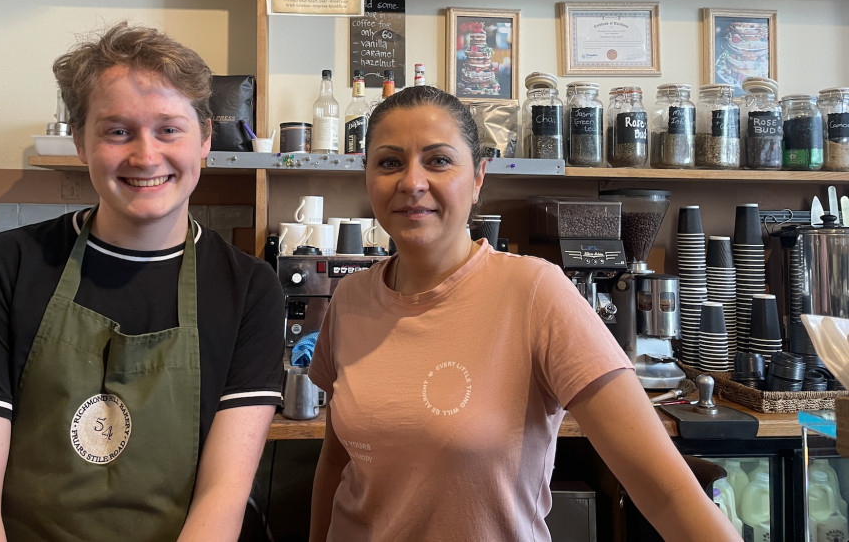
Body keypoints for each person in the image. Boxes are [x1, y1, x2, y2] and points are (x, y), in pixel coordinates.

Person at [308, 85, 741, 542]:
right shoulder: (351, 297)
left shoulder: (535, 292)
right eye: (390, 162)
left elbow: (666, 491)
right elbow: (338, 463)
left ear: (478, 178)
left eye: (437, 160)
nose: (412, 182)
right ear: (367, 176)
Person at [0, 22, 284, 541]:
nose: (145, 156)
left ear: (205, 139)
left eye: (169, 129)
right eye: (117, 131)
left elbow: (223, 496)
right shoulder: (8, 266)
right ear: (79, 141)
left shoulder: (248, 288)